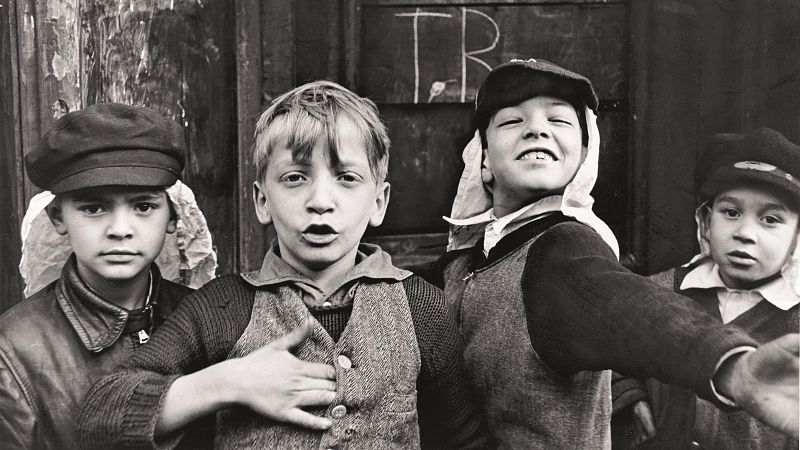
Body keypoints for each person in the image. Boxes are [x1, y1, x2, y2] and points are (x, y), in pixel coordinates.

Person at [78, 80, 489, 449]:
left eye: (346, 178)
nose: (321, 201)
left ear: (379, 202)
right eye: (295, 178)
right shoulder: (222, 308)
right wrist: (228, 382)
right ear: (262, 201)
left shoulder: (422, 308)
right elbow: (101, 415)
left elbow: (464, 438)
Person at [425, 58, 799, 448]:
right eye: (511, 121)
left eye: (559, 120)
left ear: (585, 155)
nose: (536, 128)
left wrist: (731, 366)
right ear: (482, 159)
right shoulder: (467, 260)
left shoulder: (562, 248)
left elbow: (634, 309)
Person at [0, 102, 216, 450]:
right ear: (58, 217)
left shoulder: (209, 318)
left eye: (143, 206)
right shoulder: (14, 348)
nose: (120, 230)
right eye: (93, 208)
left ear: (173, 217)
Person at [611, 128, 800, 449]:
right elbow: (613, 351)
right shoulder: (658, 291)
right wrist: (628, 394)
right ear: (705, 221)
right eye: (731, 212)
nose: (745, 233)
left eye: (770, 219)